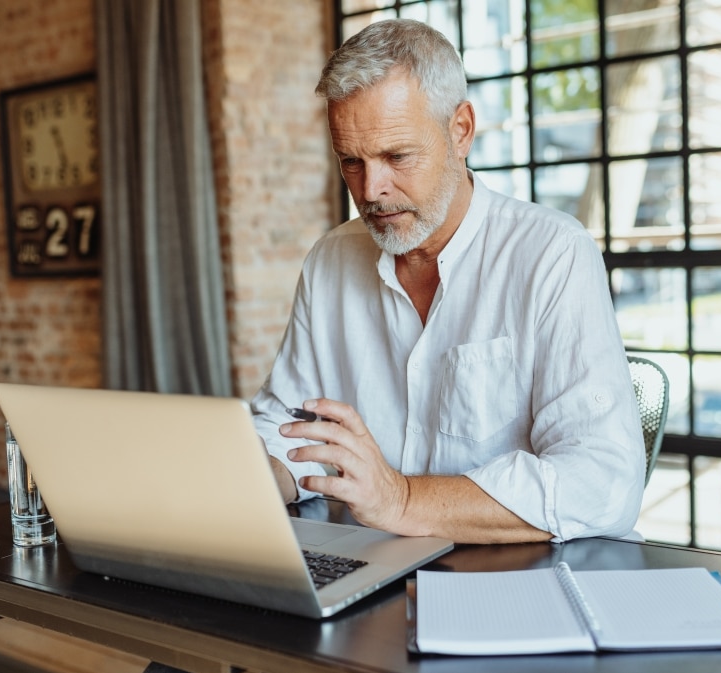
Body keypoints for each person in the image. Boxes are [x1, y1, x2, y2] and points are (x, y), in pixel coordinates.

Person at [250, 18, 645, 545]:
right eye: (351, 161)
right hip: (371, 564)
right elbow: (288, 430)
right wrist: (244, 479)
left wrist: (403, 500)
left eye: (397, 156)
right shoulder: (330, 260)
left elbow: (602, 482)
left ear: (460, 130)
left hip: (515, 580)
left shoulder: (552, 253)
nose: (372, 190)